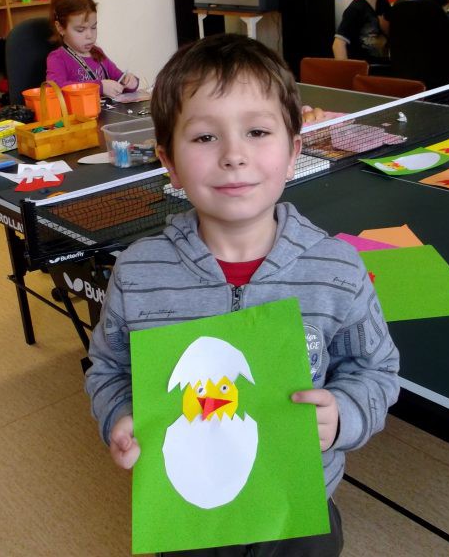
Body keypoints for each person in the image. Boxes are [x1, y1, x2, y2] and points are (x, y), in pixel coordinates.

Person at [84, 33, 400, 556]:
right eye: (205, 137)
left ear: (293, 151)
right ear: (169, 163)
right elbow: (108, 368)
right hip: (187, 514)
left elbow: (376, 370)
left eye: (257, 131)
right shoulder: (138, 273)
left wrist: (345, 413)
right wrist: (119, 414)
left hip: (298, 504)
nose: (234, 155)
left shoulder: (337, 270)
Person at [46, 0, 138, 98]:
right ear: (60, 28)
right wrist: (99, 87)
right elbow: (53, 89)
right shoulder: (57, 58)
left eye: (93, 27)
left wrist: (129, 82)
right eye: (81, 30)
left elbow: (119, 78)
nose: (89, 35)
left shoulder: (97, 52)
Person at [333, 0, 392, 68]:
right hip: (364, 70)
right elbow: (338, 44)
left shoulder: (383, 1)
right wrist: (345, 72)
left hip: (384, 66)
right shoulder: (355, 9)